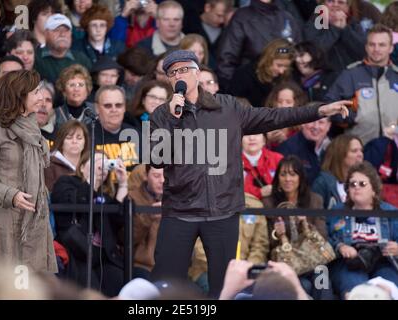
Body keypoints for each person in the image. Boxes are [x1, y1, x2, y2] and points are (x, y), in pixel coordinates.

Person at [148, 49, 351, 297]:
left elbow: (273, 117)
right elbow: (158, 160)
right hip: (179, 210)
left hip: (222, 211)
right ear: (168, 79)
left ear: (197, 72)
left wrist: (317, 111)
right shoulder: (161, 115)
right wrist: (172, 119)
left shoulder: (228, 107)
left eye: (184, 69)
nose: (179, 75)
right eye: (173, 72)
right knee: (165, 282)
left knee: (223, 286)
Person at [0, 70, 57, 273]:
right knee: (5, 289)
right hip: (5, 221)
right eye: (35, 92)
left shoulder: (33, 127)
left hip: (35, 222)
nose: (41, 98)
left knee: (35, 289)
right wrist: (11, 195)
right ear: (19, 95)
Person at [51, 150, 127, 296]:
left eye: (105, 163)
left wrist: (123, 184)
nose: (101, 166)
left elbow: (118, 220)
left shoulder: (104, 195)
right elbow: (70, 204)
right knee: (88, 287)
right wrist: (91, 182)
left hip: (103, 256)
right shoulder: (66, 182)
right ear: (81, 167)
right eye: (97, 161)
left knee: (117, 282)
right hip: (78, 252)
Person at [262, 155, 332, 299]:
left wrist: (305, 224)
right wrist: (277, 234)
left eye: (293, 174)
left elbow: (322, 236)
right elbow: (266, 242)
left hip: (313, 259)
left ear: (301, 178)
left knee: (322, 281)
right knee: (303, 286)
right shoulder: (269, 203)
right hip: (287, 263)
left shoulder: (315, 200)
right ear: (278, 179)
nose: (288, 179)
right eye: (283, 174)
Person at [328, 161, 398, 299]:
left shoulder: (390, 212)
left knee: (387, 291)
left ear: (374, 189)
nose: (356, 188)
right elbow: (325, 239)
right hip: (349, 264)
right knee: (357, 293)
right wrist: (340, 246)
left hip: (382, 262)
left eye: (362, 184)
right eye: (352, 184)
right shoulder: (337, 211)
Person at [324, 24, 398, 145]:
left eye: (382, 45)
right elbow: (328, 105)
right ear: (366, 47)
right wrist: (349, 117)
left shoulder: (396, 76)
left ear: (391, 48)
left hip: (393, 150)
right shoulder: (351, 74)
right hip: (359, 150)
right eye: (372, 44)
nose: (376, 49)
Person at [229, 39, 295, 108]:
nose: (282, 71)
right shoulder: (244, 75)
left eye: (286, 66)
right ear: (268, 59)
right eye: (279, 65)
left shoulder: (288, 76)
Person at [128, 164, 163, 280]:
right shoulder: (132, 199)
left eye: (166, 176)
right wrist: (149, 217)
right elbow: (127, 238)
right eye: (156, 176)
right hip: (141, 265)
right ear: (146, 176)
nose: (162, 180)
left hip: (169, 265)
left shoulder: (177, 199)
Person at [312, 134, 364, 209]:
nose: (360, 154)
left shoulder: (365, 181)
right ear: (340, 154)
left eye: (361, 150)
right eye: (354, 151)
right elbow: (315, 216)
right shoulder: (322, 183)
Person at [44, 120, 89, 192]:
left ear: (85, 142)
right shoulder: (48, 165)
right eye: (69, 137)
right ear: (61, 142)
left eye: (79, 138)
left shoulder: (90, 164)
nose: (74, 141)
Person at [264, 80, 308, 148]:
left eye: (288, 102)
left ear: (297, 104)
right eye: (280, 101)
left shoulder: (303, 127)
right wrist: (268, 141)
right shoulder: (265, 123)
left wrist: (285, 142)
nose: (283, 105)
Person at [54, 63, 96, 130]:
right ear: (64, 90)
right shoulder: (55, 114)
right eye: (72, 85)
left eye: (80, 85)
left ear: (87, 89)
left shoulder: (96, 111)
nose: (76, 89)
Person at [242, 134, 282, 200]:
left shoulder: (277, 159)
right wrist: (259, 192)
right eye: (246, 134)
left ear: (264, 139)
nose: (252, 138)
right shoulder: (232, 162)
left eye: (257, 133)